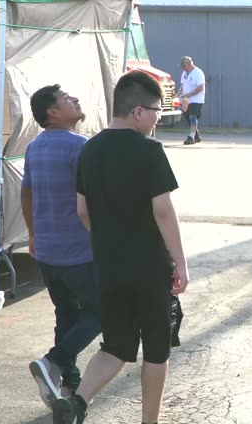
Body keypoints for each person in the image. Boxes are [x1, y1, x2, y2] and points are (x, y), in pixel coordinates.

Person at [52, 71, 190, 424]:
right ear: (138, 112)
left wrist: (110, 237)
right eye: (158, 110)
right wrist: (180, 263)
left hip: (109, 266)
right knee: (156, 350)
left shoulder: (90, 149)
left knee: (115, 346)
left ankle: (78, 402)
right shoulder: (149, 151)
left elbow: (83, 210)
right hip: (149, 267)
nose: (160, 117)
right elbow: (163, 211)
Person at [22, 85, 99, 407]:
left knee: (66, 314)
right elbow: (94, 200)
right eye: (68, 99)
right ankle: (54, 361)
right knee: (101, 312)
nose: (76, 100)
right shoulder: (81, 146)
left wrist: (33, 233)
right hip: (80, 250)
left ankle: (69, 384)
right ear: (53, 113)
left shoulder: (34, 148)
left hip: (48, 251)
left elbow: (26, 193)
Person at [179, 56, 206, 145]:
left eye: (184, 66)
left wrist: (190, 94)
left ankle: (191, 137)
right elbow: (183, 86)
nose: (183, 68)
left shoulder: (198, 73)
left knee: (193, 117)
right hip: (187, 101)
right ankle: (196, 136)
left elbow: (201, 87)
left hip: (196, 100)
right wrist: (177, 95)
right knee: (187, 118)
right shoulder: (184, 73)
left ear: (189, 64)